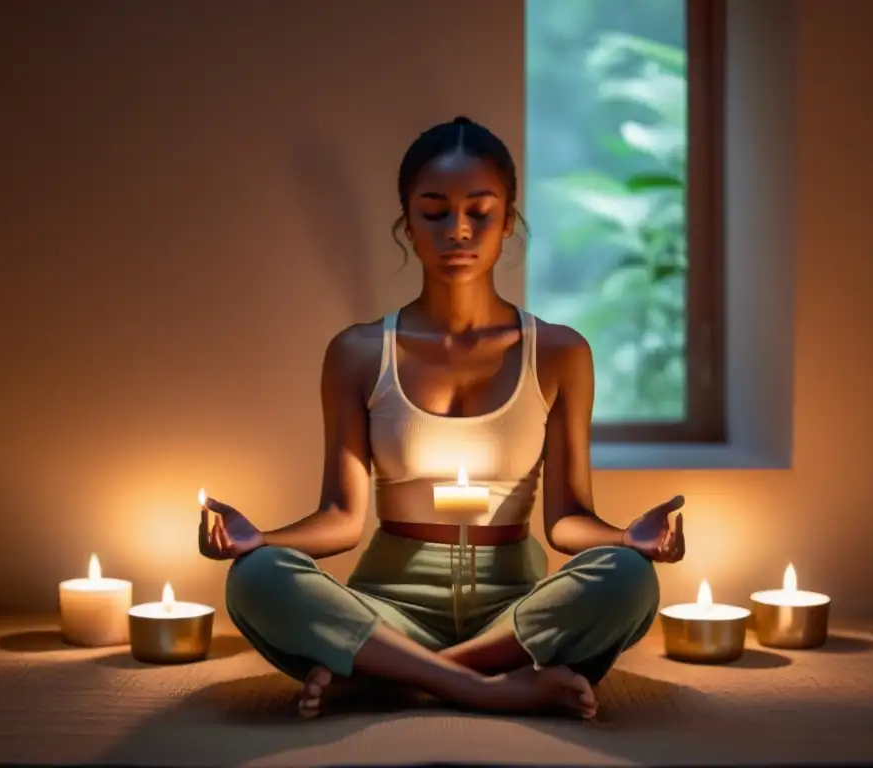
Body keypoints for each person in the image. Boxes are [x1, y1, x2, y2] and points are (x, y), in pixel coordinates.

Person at [198, 116, 687, 720]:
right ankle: (488, 687)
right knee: (257, 579)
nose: (457, 230)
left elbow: (567, 522)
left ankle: (394, 679)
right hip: (388, 609)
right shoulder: (357, 352)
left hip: (517, 610)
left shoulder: (560, 353)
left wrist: (625, 538)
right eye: (434, 212)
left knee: (629, 578)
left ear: (508, 221)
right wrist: (261, 540)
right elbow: (341, 519)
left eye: (479, 212)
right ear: (407, 223)